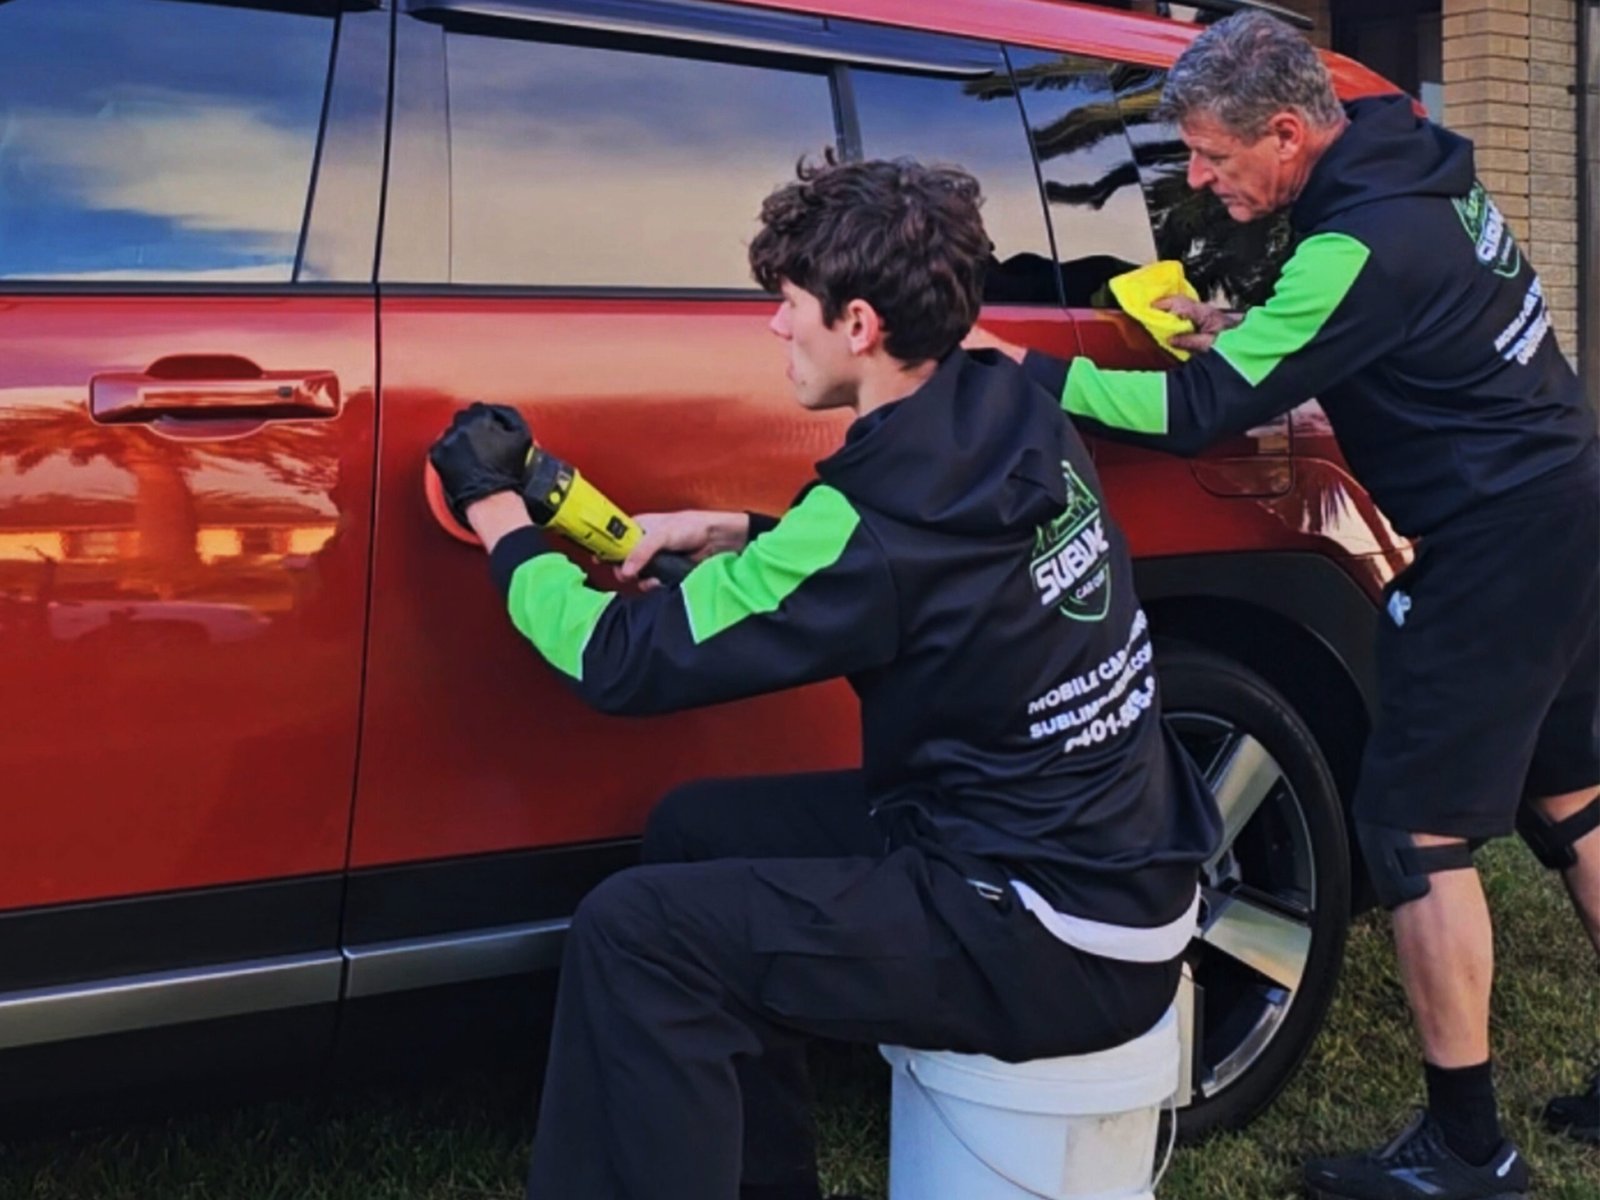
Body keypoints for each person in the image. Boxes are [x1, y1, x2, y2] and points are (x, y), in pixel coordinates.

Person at [428, 157, 1221, 1200]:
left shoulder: (876, 519)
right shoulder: (1008, 406)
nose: (772, 328)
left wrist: (496, 517)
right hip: (1112, 876)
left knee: (639, 936)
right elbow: (912, 576)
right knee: (695, 834)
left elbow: (618, 662)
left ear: (857, 325)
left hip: (1043, 936)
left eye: (787, 305)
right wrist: (733, 532)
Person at [970, 12, 1599, 1199]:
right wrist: (1249, 331)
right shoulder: (1405, 157)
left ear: (1289, 131)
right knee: (1567, 798)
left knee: (1413, 834)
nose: (1198, 182)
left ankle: (1468, 1151)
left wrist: (1033, 375)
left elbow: (1204, 411)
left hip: (1494, 541)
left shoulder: (1353, 248)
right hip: (1563, 500)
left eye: (1210, 158)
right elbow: (1396, 324)